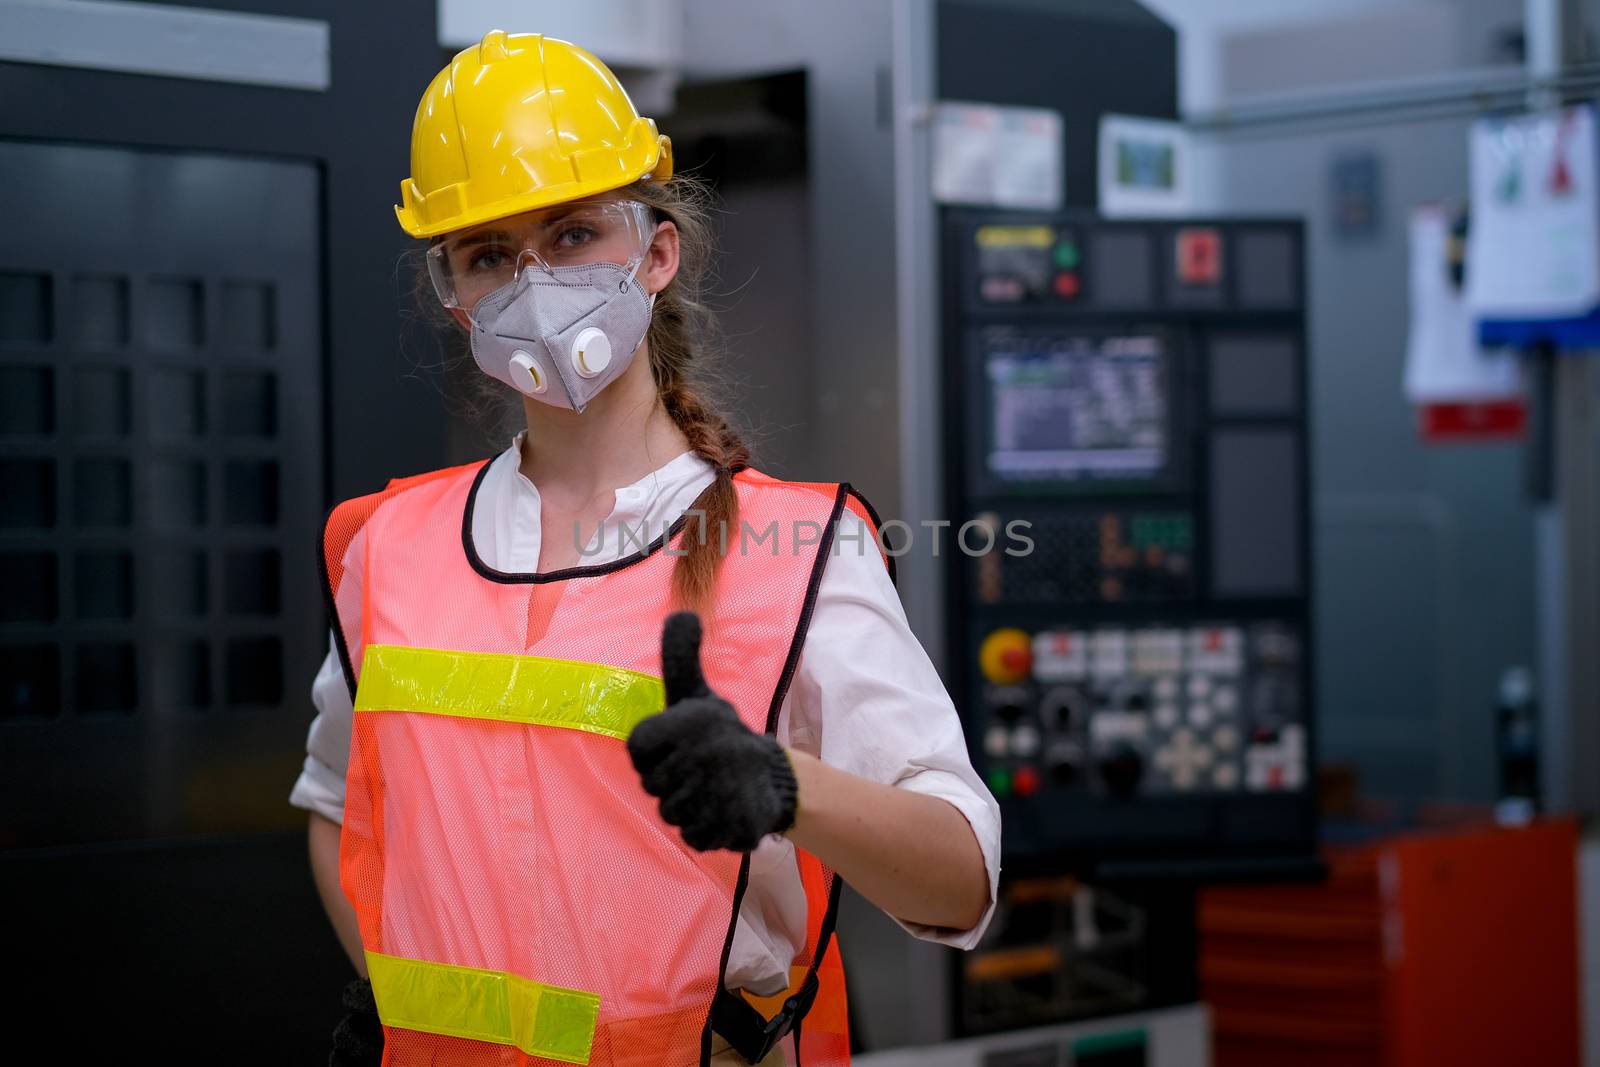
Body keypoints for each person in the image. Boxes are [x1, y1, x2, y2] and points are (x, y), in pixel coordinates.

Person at [290, 30, 1000, 1067]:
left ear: (657, 250)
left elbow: (963, 877)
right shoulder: (389, 547)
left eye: (574, 233)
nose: (533, 281)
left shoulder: (794, 548)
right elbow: (331, 806)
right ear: (452, 291)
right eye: (488, 253)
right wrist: (395, 996)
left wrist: (787, 787)